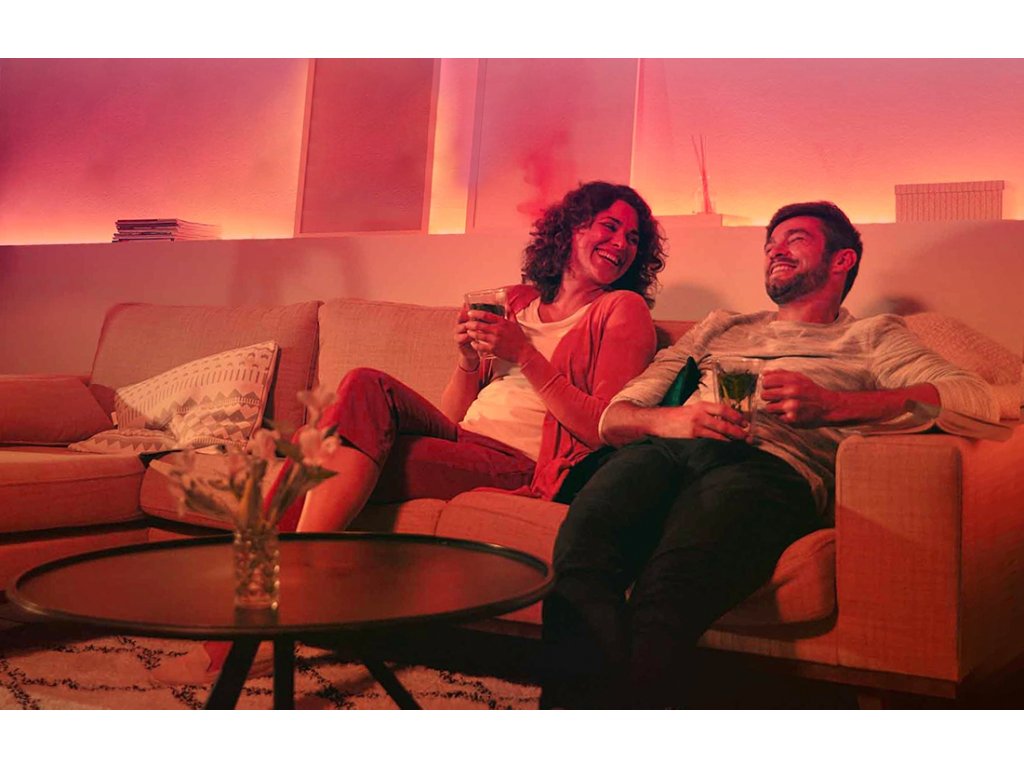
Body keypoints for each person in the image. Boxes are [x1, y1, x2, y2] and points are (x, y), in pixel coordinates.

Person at [153, 180, 669, 685]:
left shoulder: (621, 310)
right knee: (358, 391)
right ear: (572, 228)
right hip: (466, 441)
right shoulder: (516, 302)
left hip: (520, 462)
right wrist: (467, 359)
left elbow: (603, 427)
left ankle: (267, 610)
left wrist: (525, 354)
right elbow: (456, 415)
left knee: (316, 455)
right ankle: (282, 603)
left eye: (632, 238)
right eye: (609, 227)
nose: (621, 243)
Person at [539, 201, 999, 709]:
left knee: (669, 591)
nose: (775, 250)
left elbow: (973, 397)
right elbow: (615, 416)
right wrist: (671, 421)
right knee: (580, 561)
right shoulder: (722, 326)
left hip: (768, 469)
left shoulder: (873, 335)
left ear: (842, 259)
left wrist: (834, 405)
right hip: (664, 452)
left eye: (795, 239)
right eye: (770, 243)